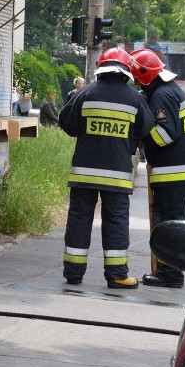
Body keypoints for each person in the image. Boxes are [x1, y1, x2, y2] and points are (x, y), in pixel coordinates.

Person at [58, 48, 152, 289]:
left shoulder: (85, 93)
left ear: (101, 67)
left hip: (84, 173)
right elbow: (146, 127)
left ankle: (73, 273)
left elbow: (66, 123)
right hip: (118, 175)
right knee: (116, 222)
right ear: (126, 72)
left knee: (79, 219)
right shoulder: (135, 98)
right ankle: (117, 275)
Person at [130, 48, 185, 288]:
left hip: (174, 172)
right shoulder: (170, 90)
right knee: (170, 223)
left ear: (144, 76)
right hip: (178, 171)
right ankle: (168, 272)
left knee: (169, 225)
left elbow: (165, 135)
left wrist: (142, 131)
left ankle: (171, 275)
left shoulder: (162, 95)